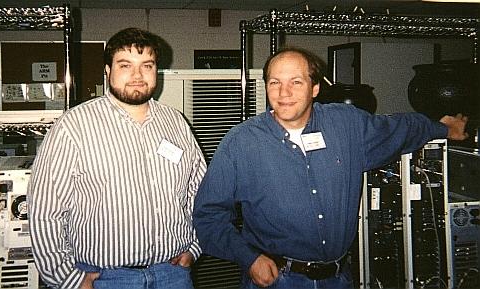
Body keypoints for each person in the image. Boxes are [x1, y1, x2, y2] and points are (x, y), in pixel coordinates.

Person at [192, 47, 468, 289]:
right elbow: (208, 215)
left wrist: (443, 128)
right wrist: (248, 257)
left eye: (295, 82)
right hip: (277, 279)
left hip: (337, 278)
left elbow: (399, 129)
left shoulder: (346, 126)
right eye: (274, 82)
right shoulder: (241, 142)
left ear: (314, 89)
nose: (283, 93)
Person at [27, 27, 206, 289]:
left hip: (173, 273)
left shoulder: (175, 122)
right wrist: (67, 279)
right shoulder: (73, 126)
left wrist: (195, 246)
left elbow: (200, 191)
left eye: (147, 65)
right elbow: (45, 210)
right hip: (105, 278)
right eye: (125, 65)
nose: (137, 75)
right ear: (109, 71)